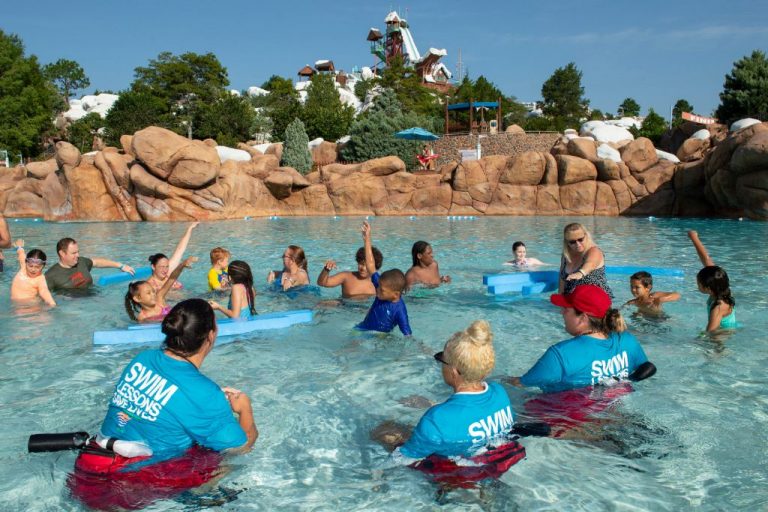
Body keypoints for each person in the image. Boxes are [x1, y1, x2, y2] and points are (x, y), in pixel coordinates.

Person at [79, 298, 257, 473]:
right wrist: (244, 408)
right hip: (128, 483)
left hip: (88, 463)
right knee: (222, 461)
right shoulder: (204, 394)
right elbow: (240, 449)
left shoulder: (143, 358)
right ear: (211, 334)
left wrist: (211, 400)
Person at [374, 320, 524, 487]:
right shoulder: (499, 392)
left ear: (453, 371)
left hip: (460, 471)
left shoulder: (436, 418)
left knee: (385, 429)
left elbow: (404, 457)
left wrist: (376, 472)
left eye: (441, 359)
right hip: (494, 460)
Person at [506, 285, 654, 437]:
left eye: (567, 309)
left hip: (574, 425)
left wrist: (497, 381)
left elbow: (520, 384)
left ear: (583, 318)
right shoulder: (626, 340)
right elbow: (649, 367)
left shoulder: (561, 354)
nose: (562, 312)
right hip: (619, 414)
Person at [356, 221, 411, 335]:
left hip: (380, 337)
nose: (377, 290)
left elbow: (407, 334)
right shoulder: (382, 285)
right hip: (362, 328)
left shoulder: (400, 310)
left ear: (395, 294)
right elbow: (371, 265)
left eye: (382, 290)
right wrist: (367, 240)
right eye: (378, 287)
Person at [45, 238, 135, 292]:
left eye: (78, 252)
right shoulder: (50, 276)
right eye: (73, 253)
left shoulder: (81, 262)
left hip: (94, 297)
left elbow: (97, 262)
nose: (78, 255)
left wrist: (121, 266)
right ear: (62, 253)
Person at [688, 230, 736, 331]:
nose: (697, 284)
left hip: (722, 335)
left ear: (708, 288)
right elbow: (706, 259)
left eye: (698, 283)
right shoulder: (720, 286)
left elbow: (711, 333)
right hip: (728, 326)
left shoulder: (718, 307)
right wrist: (694, 238)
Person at [125, 257, 197, 323]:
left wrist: (182, 265)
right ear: (137, 298)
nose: (153, 294)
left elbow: (172, 279)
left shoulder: (159, 299)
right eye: (148, 293)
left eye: (153, 291)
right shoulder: (143, 317)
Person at [316, 231, 384, 298]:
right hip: (344, 306)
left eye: (367, 266)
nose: (363, 268)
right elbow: (322, 283)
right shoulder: (346, 277)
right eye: (361, 264)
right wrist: (326, 270)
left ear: (375, 266)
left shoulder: (381, 282)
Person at [559, 223, 612, 298]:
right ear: (567, 242)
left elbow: (590, 264)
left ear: (586, 236)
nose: (578, 244)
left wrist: (581, 273)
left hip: (596, 301)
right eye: (572, 242)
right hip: (572, 301)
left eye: (580, 239)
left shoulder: (594, 251)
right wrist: (560, 299)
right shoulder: (566, 256)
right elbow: (561, 279)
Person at [146, 222, 198, 291]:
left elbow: (180, 249)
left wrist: (190, 229)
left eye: (167, 266)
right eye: (162, 267)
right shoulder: (149, 286)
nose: (165, 270)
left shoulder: (168, 273)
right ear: (153, 267)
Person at [10, 239, 56, 306]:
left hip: (30, 306)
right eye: (30, 266)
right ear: (26, 263)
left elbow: (44, 291)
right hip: (15, 304)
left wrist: (52, 303)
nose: (33, 269)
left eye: (37, 267)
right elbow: (21, 255)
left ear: (43, 266)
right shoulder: (24, 267)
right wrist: (19, 247)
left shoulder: (40, 279)